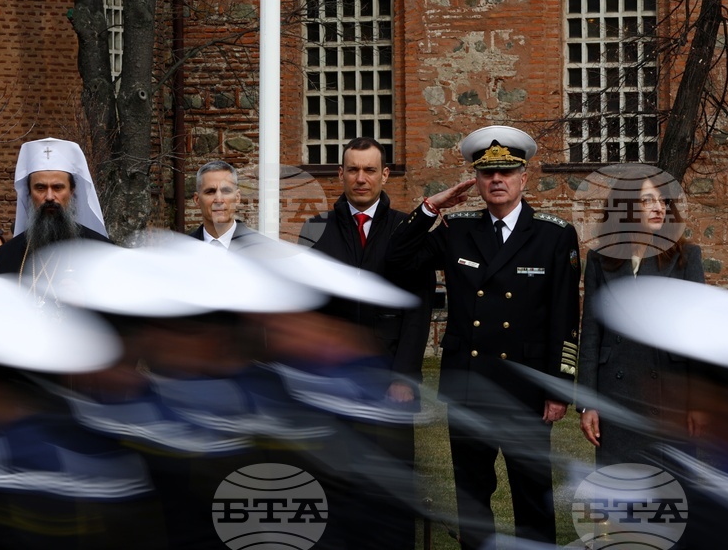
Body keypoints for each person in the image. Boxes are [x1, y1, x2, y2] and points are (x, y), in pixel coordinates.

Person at [388, 125, 581, 550]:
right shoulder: (457, 229)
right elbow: (396, 259)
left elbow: (566, 317)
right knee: (472, 494)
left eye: (507, 172)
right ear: (475, 180)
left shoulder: (553, 234)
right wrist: (428, 208)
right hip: (468, 383)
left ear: (523, 178)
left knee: (532, 493)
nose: (497, 181)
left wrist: (559, 388)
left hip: (526, 387)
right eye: (488, 174)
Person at [297, 136, 435, 550]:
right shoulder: (315, 229)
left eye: (370, 169)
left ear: (385, 174)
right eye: (353, 169)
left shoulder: (407, 229)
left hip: (389, 378)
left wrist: (403, 377)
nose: (361, 178)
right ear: (340, 174)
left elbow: (418, 310)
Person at [577, 165, 707, 467]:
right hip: (616, 393)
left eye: (662, 201)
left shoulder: (687, 258)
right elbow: (591, 335)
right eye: (648, 200)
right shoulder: (601, 259)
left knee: (673, 496)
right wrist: (587, 405)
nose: (659, 207)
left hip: (670, 393)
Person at [0, 137, 111, 295]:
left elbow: (121, 316)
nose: (49, 197)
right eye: (40, 188)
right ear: (29, 193)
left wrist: (87, 300)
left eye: (57, 187)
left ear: (72, 191)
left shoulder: (101, 251)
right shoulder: (7, 254)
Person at [187, 160, 263, 249]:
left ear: (237, 198)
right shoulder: (182, 252)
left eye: (226, 191)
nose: (219, 200)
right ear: (197, 200)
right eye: (210, 192)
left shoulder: (262, 249)